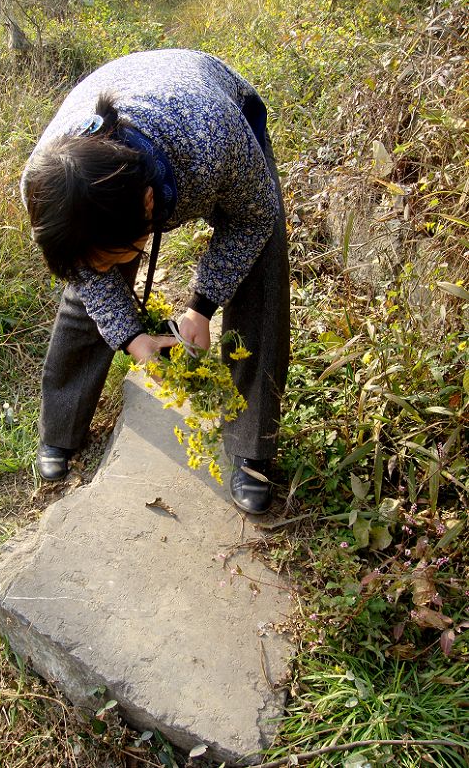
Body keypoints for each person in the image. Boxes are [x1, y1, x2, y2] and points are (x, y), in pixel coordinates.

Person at [21, 48, 289, 515]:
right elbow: (87, 271)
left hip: (214, 108)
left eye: (123, 250)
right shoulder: (46, 183)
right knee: (91, 281)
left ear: (149, 206)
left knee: (262, 267)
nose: (102, 268)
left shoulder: (214, 141)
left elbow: (252, 217)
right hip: (126, 114)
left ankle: (253, 450)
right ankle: (60, 430)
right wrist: (128, 336)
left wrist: (202, 308)